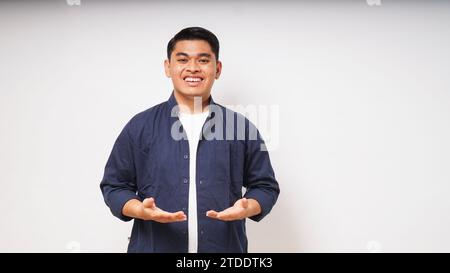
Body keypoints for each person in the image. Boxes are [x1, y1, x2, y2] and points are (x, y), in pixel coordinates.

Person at [100, 26, 280, 253]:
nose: (193, 68)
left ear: (218, 69)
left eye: (203, 60)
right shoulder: (140, 126)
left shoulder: (239, 127)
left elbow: (265, 186)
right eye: (183, 59)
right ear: (168, 67)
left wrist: (248, 207)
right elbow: (114, 185)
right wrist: (139, 210)